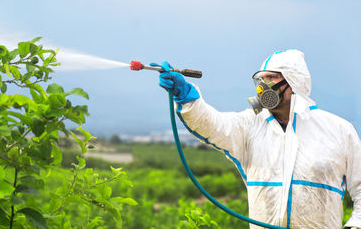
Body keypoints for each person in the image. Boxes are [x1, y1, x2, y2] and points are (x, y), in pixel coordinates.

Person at [152, 49, 361, 229]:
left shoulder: (338, 131)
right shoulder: (250, 126)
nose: (262, 85)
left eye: (270, 78)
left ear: (293, 81)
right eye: (261, 79)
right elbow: (214, 125)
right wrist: (186, 97)